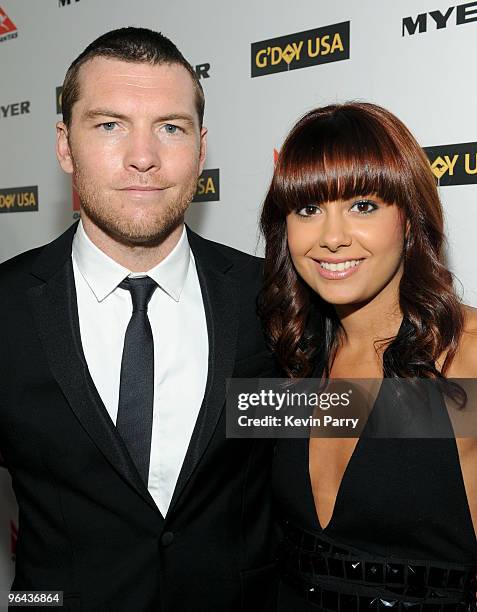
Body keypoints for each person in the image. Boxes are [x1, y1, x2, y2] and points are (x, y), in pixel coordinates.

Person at [0, 27, 279, 612]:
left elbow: (357, 427)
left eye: (170, 127)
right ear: (64, 144)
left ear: (201, 148)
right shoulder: (6, 307)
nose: (144, 157)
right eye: (109, 125)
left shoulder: (272, 296)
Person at [259, 102, 477, 610]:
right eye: (308, 209)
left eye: (363, 205)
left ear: (409, 216)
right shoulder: (291, 353)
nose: (332, 238)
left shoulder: (466, 357)